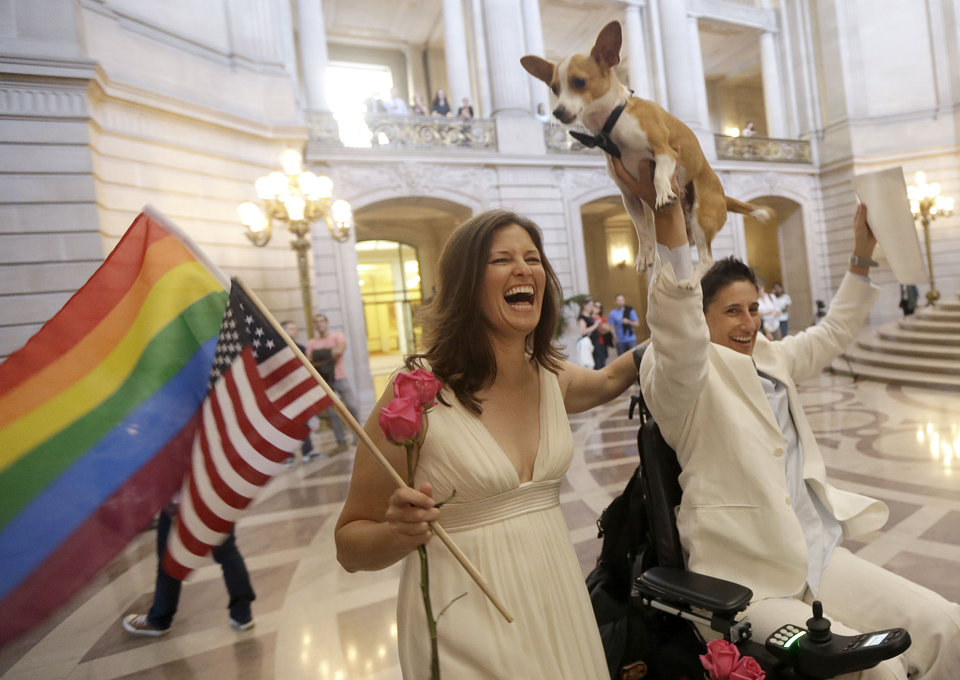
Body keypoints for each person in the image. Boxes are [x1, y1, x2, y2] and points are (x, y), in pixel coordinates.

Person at [629, 158, 960, 679]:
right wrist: (670, 228)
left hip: (814, 553)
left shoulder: (771, 356)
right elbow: (673, 328)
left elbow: (832, 334)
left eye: (753, 308)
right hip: (747, 579)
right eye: (731, 311)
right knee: (878, 671)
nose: (748, 323)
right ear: (702, 317)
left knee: (944, 625)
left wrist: (860, 256)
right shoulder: (680, 376)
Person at [334, 209, 644, 679]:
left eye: (532, 258)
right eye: (502, 259)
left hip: (558, 606)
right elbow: (349, 544)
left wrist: (679, 331)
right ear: (465, 285)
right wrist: (395, 534)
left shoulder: (550, 375)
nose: (523, 269)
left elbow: (606, 380)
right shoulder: (417, 391)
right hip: (462, 619)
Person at [122, 496, 255, 636]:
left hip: (181, 502)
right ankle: (242, 614)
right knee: (228, 554)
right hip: (219, 498)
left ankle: (159, 619)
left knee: (169, 559)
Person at [306, 313, 360, 454]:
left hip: (340, 377)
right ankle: (341, 442)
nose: (319, 324)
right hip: (325, 381)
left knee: (352, 406)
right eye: (316, 322)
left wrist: (319, 356)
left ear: (327, 323)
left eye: (322, 321)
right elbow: (309, 361)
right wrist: (329, 355)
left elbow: (339, 351)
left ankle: (358, 437)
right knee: (333, 413)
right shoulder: (312, 343)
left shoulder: (337, 336)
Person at [281, 320, 320, 465]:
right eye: (291, 328)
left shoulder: (301, 348)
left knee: (304, 421)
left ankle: (307, 450)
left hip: (299, 389)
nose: (294, 331)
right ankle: (288, 455)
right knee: (287, 423)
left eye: (296, 328)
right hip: (284, 391)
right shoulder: (276, 350)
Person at [576, 299, 599, 369]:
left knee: (597, 362)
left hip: (595, 342)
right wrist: (595, 325)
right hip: (588, 342)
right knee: (591, 364)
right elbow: (583, 331)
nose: (591, 307)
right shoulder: (582, 318)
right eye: (589, 305)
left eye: (592, 305)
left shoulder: (590, 316)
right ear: (584, 306)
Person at [591, 300, 613, 369]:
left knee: (603, 362)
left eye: (599, 307)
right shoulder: (589, 318)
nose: (597, 308)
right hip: (593, 343)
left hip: (603, 343)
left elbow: (607, 329)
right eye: (596, 306)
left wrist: (604, 327)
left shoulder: (602, 318)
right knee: (596, 363)